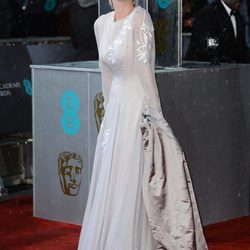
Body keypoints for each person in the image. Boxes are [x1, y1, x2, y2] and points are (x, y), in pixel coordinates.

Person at [78, 0, 208, 249]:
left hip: (137, 105)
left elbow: (146, 72)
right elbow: (104, 73)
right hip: (115, 109)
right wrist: (107, 116)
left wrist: (156, 117)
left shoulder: (140, 19)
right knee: (113, 174)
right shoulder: (100, 24)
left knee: (135, 171)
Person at [185, 0, 250, 63]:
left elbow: (241, 49)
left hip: (229, 70)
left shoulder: (240, 18)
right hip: (202, 69)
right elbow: (209, 44)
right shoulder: (208, 13)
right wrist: (230, 60)